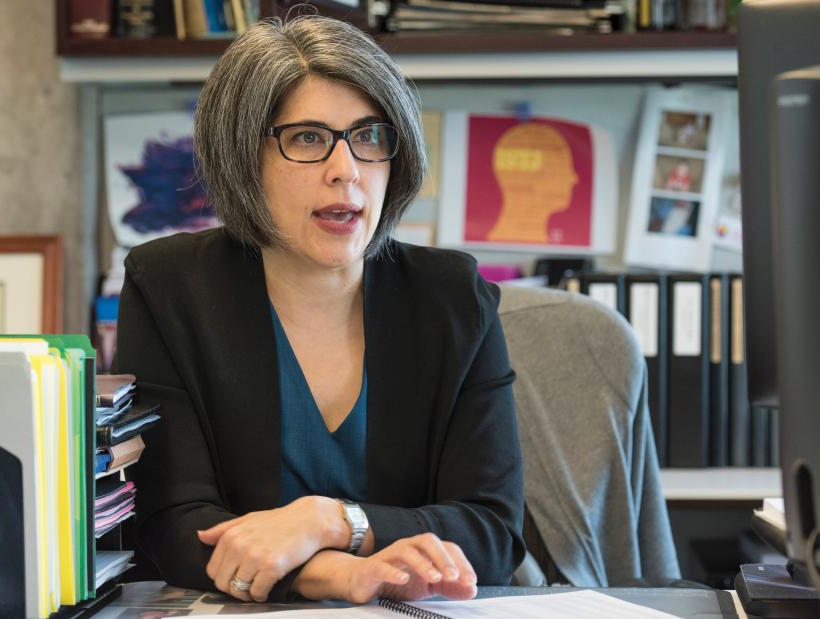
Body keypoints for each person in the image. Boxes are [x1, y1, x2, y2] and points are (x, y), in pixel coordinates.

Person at [115, 14, 525, 607]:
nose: (347, 170)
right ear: (241, 156)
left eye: (369, 137)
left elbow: (492, 534)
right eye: (307, 138)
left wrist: (329, 522)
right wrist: (335, 575)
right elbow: (171, 525)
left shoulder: (452, 296)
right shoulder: (170, 286)